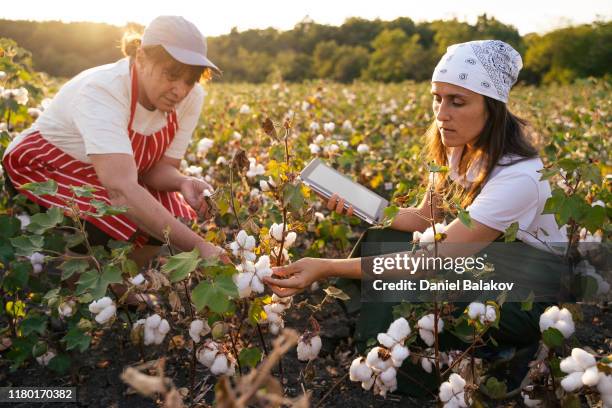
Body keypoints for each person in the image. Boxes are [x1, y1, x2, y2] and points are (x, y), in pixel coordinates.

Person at [264, 40, 568, 394]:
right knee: (381, 239)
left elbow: (433, 259)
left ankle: (433, 374)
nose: (441, 114)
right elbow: (426, 219)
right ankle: (374, 340)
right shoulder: (458, 148)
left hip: (525, 295)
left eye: (458, 101)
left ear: (493, 107)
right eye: (437, 97)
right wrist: (363, 206)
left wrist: (327, 266)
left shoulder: (519, 177)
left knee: (417, 280)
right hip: (488, 263)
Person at [2, 16, 228, 267]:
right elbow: (121, 192)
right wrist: (201, 246)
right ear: (141, 57)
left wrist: (182, 181)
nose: (180, 89)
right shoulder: (104, 90)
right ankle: (77, 288)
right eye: (172, 74)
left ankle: (120, 286)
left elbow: (157, 169)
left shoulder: (190, 97)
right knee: (122, 215)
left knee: (165, 211)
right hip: (42, 168)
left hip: (106, 172)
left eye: (189, 79)